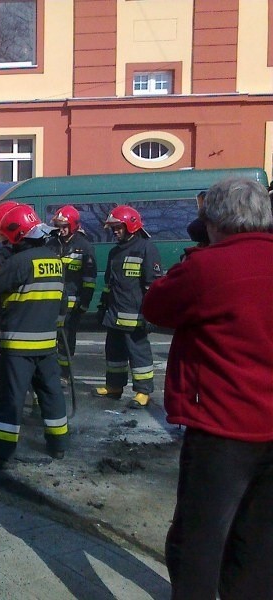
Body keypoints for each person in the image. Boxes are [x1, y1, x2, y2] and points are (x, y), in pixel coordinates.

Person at [143, 178, 273, 600]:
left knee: (196, 542)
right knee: (257, 544)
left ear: (214, 221)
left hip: (223, 430)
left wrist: (196, 256)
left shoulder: (208, 267)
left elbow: (156, 307)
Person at [0, 204, 68, 469]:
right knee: (51, 394)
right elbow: (61, 303)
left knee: (9, 401)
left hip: (19, 346)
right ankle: (58, 445)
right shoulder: (54, 261)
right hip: (47, 345)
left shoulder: (20, 262)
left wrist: (0, 267)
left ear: (17, 234)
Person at [91, 205, 161, 409]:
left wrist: (150, 314)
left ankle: (143, 391)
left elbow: (153, 286)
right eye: (113, 227)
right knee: (114, 354)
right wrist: (103, 307)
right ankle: (114, 386)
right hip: (114, 314)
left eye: (118, 227)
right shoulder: (115, 251)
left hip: (134, 314)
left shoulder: (146, 248)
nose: (114, 231)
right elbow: (109, 284)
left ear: (131, 226)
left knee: (138, 354)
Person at [47, 205, 97, 380]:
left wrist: (84, 303)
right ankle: (50, 372)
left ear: (74, 225)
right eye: (58, 226)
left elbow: (89, 280)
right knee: (50, 339)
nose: (61, 230)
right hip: (51, 303)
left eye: (64, 226)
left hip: (71, 305)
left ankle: (64, 374)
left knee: (66, 340)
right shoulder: (51, 244)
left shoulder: (84, 247)